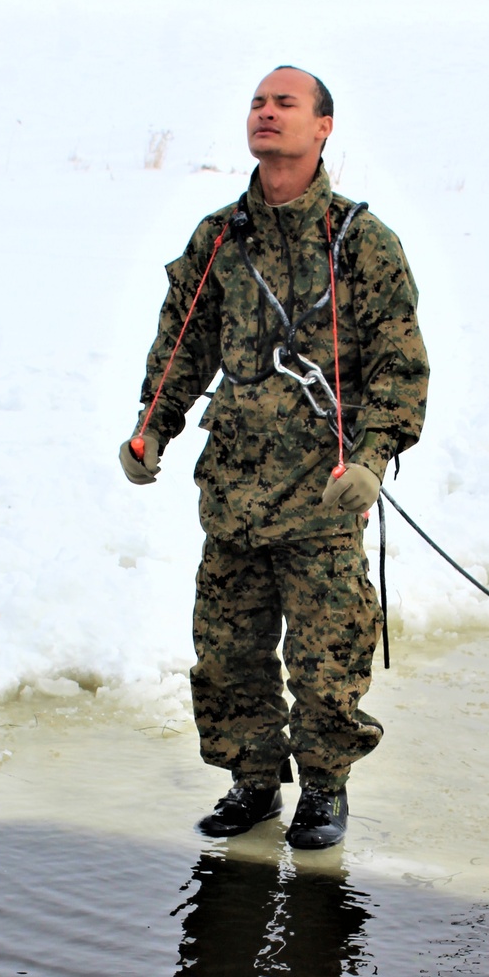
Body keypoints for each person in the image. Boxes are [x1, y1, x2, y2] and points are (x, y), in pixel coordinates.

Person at [120, 66, 428, 849]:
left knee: (327, 654)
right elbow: (182, 341)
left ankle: (325, 789)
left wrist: (374, 456)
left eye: (284, 103)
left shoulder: (360, 241)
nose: (266, 113)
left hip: (323, 492)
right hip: (233, 488)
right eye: (258, 102)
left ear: (323, 127)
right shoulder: (221, 236)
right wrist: (155, 425)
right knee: (227, 650)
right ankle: (251, 781)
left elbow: (399, 365)